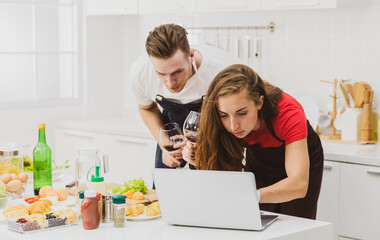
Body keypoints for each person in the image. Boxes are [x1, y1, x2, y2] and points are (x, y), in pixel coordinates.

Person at [182, 64, 324, 219]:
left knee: (295, 221)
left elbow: (298, 185)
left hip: (302, 158)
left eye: (242, 113)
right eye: (223, 115)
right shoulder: (221, 120)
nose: (233, 126)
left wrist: (251, 195)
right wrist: (195, 158)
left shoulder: (288, 113)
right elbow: (216, 170)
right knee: (255, 218)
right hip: (259, 156)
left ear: (259, 103)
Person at [129, 23, 235, 169]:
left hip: (214, 142)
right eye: (161, 74)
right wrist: (165, 145)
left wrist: (205, 147)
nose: (170, 82)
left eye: (177, 72)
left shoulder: (221, 72)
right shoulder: (140, 73)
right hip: (171, 143)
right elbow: (146, 108)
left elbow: (235, 119)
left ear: (191, 55)